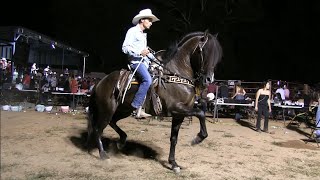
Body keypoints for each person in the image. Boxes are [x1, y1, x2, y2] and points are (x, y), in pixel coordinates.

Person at [122, 8, 159, 118]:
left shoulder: (143, 35)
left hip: (145, 63)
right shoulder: (132, 31)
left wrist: (156, 60)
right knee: (147, 80)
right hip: (136, 63)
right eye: (150, 20)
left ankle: (150, 106)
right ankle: (135, 106)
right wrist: (139, 52)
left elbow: (145, 51)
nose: (151, 23)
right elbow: (125, 48)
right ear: (142, 20)